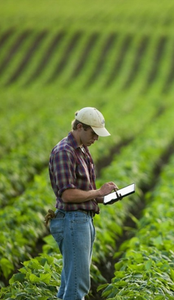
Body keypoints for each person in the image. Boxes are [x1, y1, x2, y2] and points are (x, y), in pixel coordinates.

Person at [48, 107, 118, 300]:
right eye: (93, 133)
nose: (96, 139)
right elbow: (68, 195)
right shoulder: (65, 152)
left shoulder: (83, 151)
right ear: (80, 127)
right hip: (72, 221)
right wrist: (98, 191)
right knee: (77, 285)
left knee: (70, 282)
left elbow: (83, 189)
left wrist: (102, 198)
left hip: (83, 220)